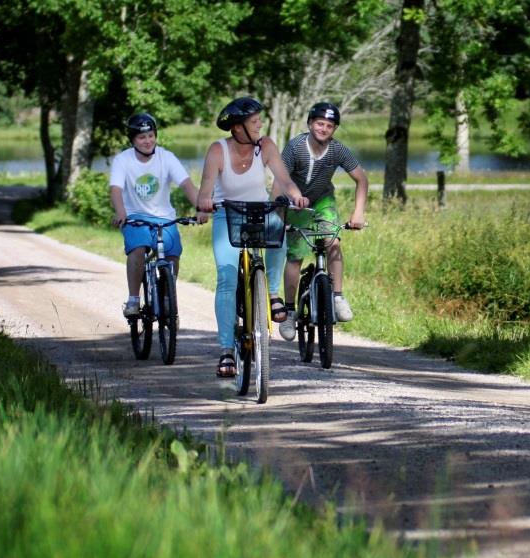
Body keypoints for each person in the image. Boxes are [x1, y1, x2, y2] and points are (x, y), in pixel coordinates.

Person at [195, 97, 307, 378]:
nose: (260, 124)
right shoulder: (217, 150)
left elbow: (284, 178)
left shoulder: (266, 146)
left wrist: (295, 196)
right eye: (254, 121)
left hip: (258, 212)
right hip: (227, 214)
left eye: (259, 120)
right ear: (237, 128)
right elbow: (205, 188)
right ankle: (225, 351)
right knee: (227, 277)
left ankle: (271, 294)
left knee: (278, 232)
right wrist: (204, 204)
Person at [270, 101, 368, 343]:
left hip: (322, 201)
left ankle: (337, 296)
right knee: (295, 255)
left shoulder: (337, 150)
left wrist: (358, 213)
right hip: (295, 204)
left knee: (332, 242)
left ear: (334, 129)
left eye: (330, 126)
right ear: (310, 123)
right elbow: (279, 179)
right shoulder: (296, 147)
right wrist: (276, 212)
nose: (324, 129)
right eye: (320, 123)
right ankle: (291, 311)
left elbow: (361, 180)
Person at [109, 112, 201, 317]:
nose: (147, 141)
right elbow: (115, 189)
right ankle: (133, 299)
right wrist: (121, 211)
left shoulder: (166, 157)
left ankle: (168, 295)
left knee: (173, 254)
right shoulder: (123, 160)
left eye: (151, 135)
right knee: (138, 249)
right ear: (133, 140)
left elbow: (186, 184)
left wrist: (200, 207)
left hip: (164, 217)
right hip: (134, 216)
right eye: (142, 137)